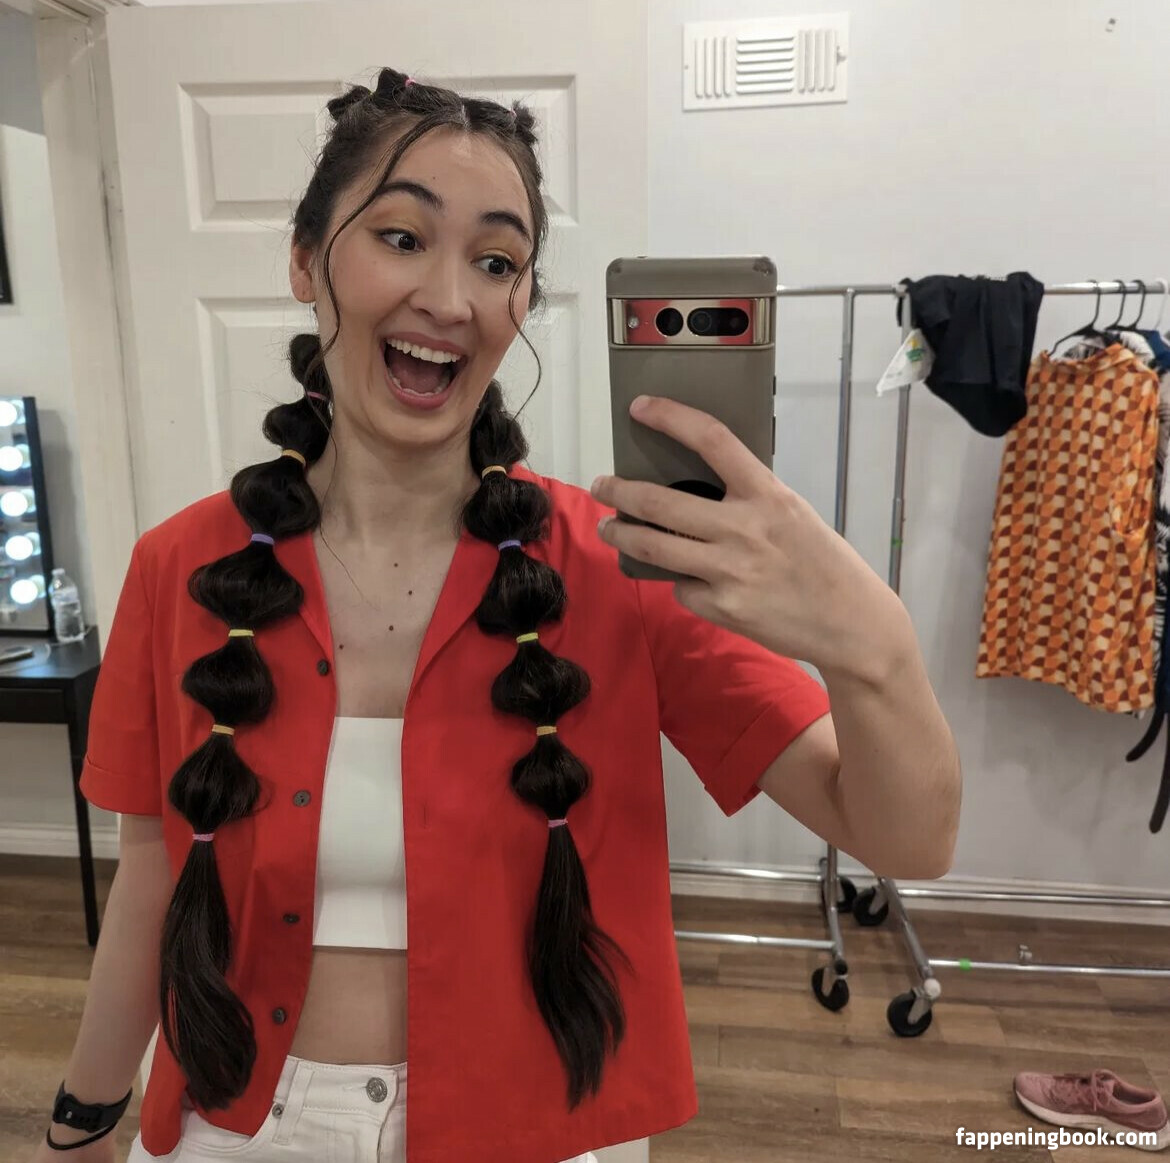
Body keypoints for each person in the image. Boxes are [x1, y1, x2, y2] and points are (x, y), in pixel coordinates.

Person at [31, 68, 961, 1163]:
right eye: (402, 237)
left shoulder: (621, 568)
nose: (451, 298)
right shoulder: (180, 567)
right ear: (304, 260)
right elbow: (152, 869)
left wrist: (872, 643)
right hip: (236, 1123)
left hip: (533, 1129)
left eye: (496, 261)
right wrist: (84, 1117)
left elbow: (907, 837)